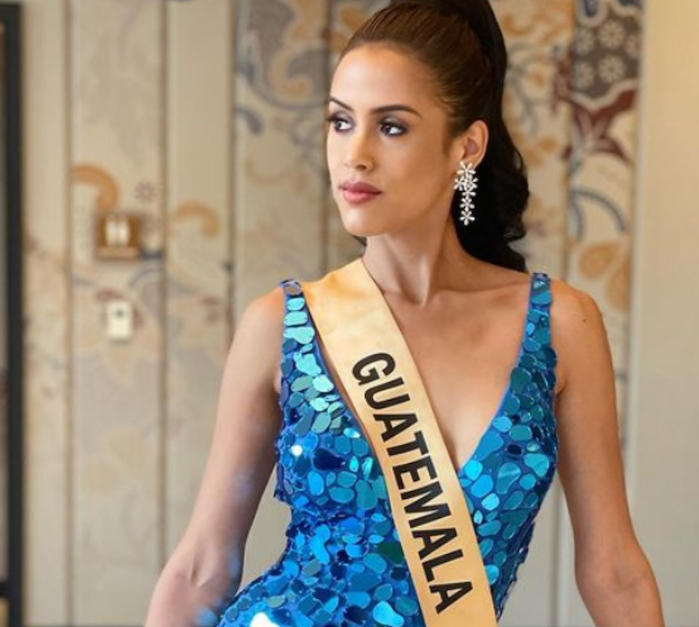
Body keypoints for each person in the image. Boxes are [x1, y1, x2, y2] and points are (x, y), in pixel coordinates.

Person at [145, 1, 664, 625]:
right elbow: (203, 565)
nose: (354, 155)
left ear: (466, 146)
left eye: (391, 127)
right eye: (341, 122)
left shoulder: (559, 326)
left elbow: (613, 568)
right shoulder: (280, 325)